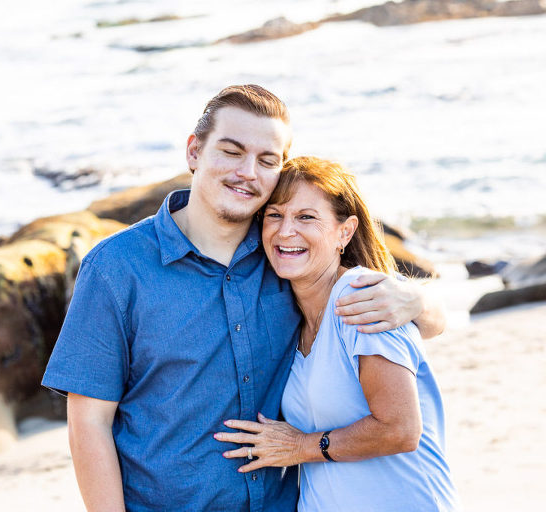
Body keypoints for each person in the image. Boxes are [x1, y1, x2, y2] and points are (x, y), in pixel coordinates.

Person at [42, 85, 446, 511]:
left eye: (267, 160)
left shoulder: (286, 251)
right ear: (194, 152)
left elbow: (407, 319)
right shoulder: (117, 267)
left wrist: (419, 302)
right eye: (232, 152)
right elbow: (89, 423)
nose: (248, 172)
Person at [215, 156, 461, 511]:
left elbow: (400, 429)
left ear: (344, 232)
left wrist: (300, 447)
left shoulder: (360, 299)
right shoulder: (289, 316)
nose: (285, 231)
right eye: (275, 215)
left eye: (306, 217)